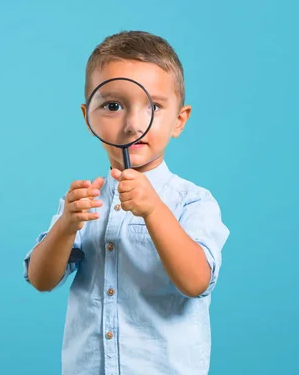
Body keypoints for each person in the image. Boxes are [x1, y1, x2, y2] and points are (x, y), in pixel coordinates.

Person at [23, 30, 230, 375]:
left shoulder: (193, 202)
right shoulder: (81, 202)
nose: (133, 124)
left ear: (179, 120)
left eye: (153, 107)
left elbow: (196, 282)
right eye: (113, 106)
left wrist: (153, 210)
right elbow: (42, 280)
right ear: (89, 117)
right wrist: (65, 227)